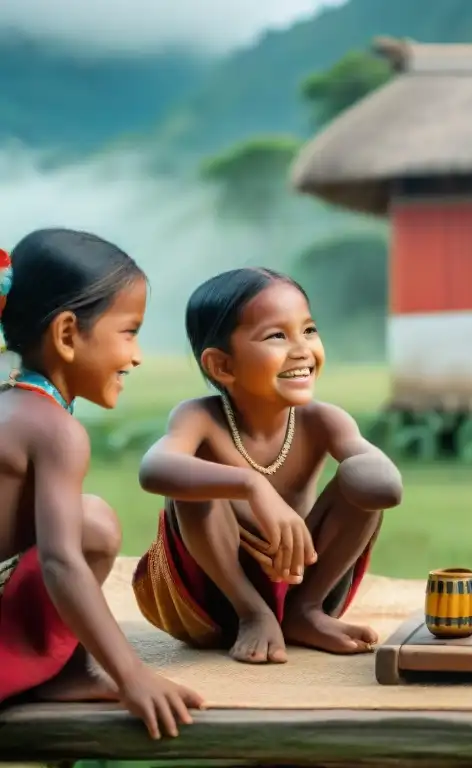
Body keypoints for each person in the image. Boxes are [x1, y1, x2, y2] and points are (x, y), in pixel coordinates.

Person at [132, 267, 403, 665]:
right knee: (191, 483)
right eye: (277, 336)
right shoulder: (200, 418)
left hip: (301, 578)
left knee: (360, 479)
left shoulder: (323, 421)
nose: (302, 349)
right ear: (222, 366)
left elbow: (384, 489)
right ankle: (253, 613)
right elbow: (154, 469)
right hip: (216, 592)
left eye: (308, 330)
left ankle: (305, 613)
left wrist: (362, 466)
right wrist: (250, 485)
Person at [0, 228, 204, 739]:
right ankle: (55, 671)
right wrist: (131, 674)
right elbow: (61, 561)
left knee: (88, 519)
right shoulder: (56, 431)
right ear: (68, 335)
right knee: (91, 526)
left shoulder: (14, 406)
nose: (135, 356)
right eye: (129, 332)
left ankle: (65, 673)